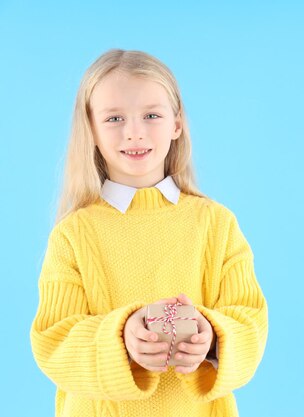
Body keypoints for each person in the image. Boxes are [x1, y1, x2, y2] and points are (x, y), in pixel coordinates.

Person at [29, 48, 269, 417]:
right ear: (90, 129)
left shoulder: (217, 224)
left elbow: (250, 321)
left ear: (177, 123)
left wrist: (213, 339)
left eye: (151, 115)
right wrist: (122, 337)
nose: (134, 132)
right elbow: (54, 341)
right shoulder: (73, 235)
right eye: (114, 118)